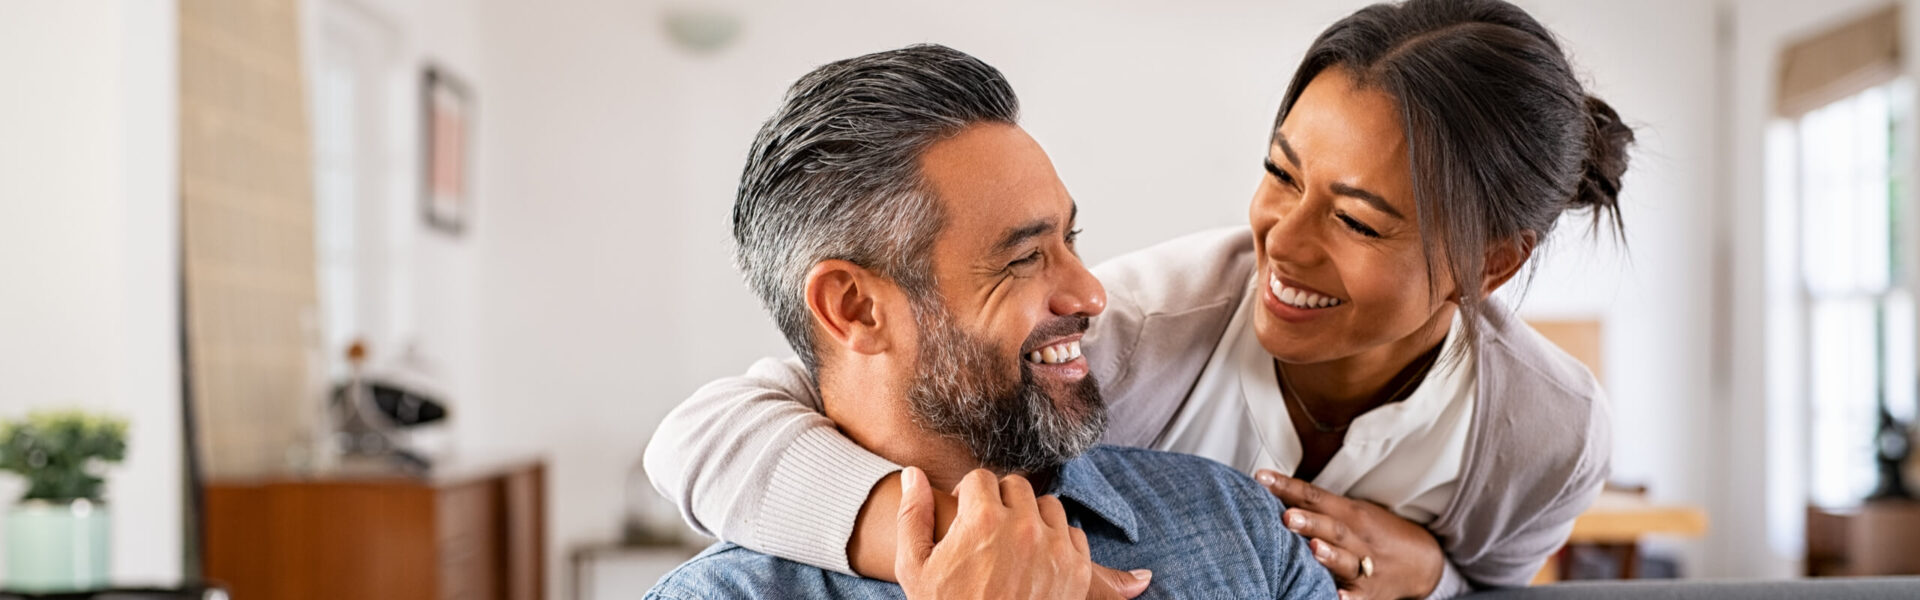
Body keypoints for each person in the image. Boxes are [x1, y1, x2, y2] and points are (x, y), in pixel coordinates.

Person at [646, 1, 1630, 598]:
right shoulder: (1135, 331)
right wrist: (927, 543)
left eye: (1361, 220)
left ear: (1489, 267)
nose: (1279, 241)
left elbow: (1495, 590)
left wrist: (1431, 573)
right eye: (1279, 174)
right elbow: (736, 425)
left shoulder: (1546, 431)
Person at [645, 44, 1335, 600]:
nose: (1091, 292)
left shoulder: (1236, 526)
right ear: (854, 308)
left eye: (1072, 239)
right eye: (1025, 257)